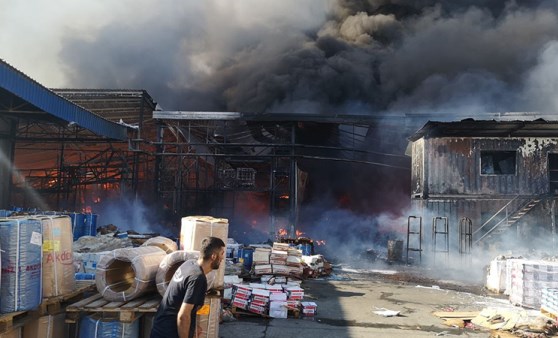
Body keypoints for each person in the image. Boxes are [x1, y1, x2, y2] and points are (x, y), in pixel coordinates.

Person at [150, 236, 226, 338]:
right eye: (221, 254)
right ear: (213, 256)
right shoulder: (197, 278)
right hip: (169, 333)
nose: (222, 258)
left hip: (160, 328)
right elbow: (183, 316)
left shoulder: (188, 264)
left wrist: (193, 327)